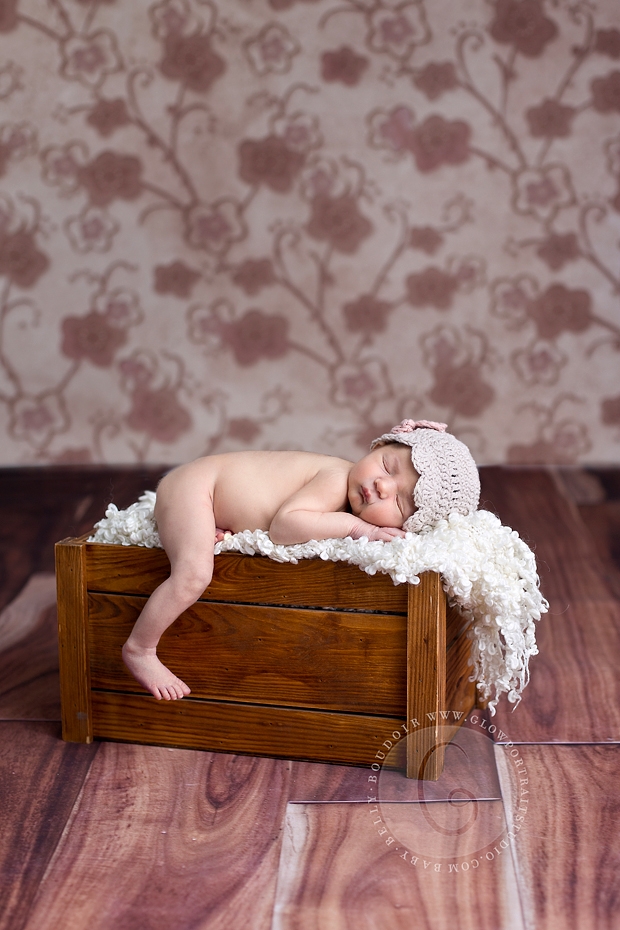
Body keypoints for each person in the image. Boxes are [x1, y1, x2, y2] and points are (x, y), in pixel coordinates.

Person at [122, 419, 480, 700]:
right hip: (196, 487)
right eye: (387, 465)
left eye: (399, 502)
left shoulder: (350, 493)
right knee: (194, 574)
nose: (383, 486)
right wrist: (360, 529)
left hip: (213, 499)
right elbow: (284, 527)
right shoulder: (337, 479)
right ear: (379, 446)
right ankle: (140, 649)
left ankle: (214, 522)